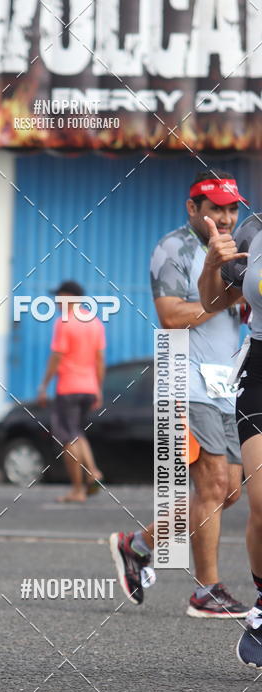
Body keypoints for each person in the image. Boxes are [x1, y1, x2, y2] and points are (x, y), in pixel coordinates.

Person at [110, 171, 249, 617]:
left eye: (232, 208)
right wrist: (229, 297)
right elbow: (171, 316)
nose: (225, 218)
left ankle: (137, 544)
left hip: (229, 382)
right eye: (215, 209)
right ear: (194, 209)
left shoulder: (240, 249)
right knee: (210, 485)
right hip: (186, 379)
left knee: (228, 492)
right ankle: (206, 591)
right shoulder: (175, 249)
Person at [198, 212, 262, 665]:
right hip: (260, 368)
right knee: (260, 501)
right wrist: (209, 265)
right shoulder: (253, 232)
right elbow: (212, 300)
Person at [37, 280, 105, 502]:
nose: (56, 302)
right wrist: (98, 388)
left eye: (59, 297)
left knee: (68, 439)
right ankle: (93, 471)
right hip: (88, 388)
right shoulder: (95, 323)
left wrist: (44, 385)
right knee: (77, 433)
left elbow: (56, 356)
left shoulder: (64, 322)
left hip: (68, 388)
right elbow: (99, 359)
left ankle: (78, 490)